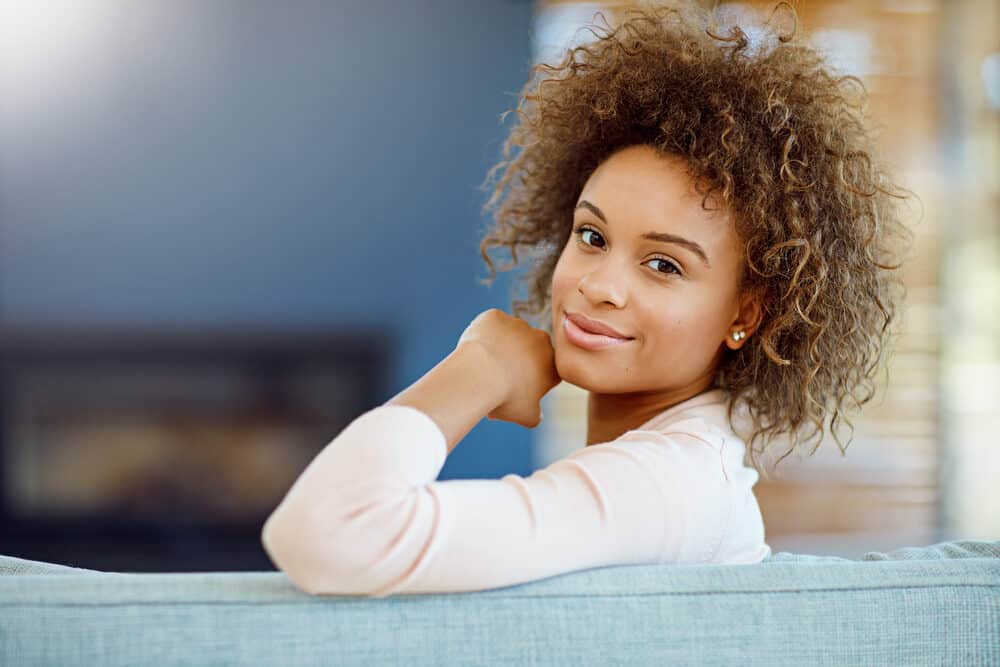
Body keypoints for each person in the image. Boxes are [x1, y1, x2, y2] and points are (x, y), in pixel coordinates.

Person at [261, 1, 914, 598]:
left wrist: (480, 367)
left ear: (746, 312)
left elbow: (329, 530)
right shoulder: (672, 467)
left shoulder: (667, 484)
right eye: (592, 235)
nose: (598, 284)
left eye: (664, 264)